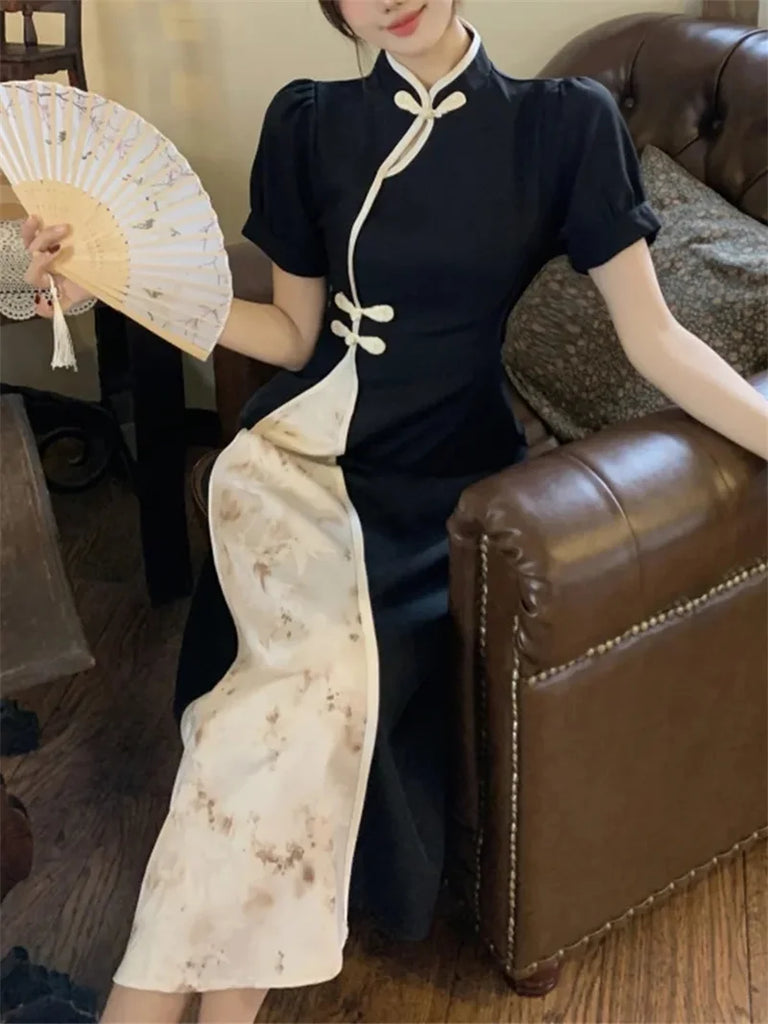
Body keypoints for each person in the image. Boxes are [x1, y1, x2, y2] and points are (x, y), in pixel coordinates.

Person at [24, 1, 768, 1021]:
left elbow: (656, 338)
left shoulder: (563, 123)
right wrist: (116, 276)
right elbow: (291, 337)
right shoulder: (308, 122)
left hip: (440, 490)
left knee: (276, 711)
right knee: (288, 704)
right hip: (300, 461)